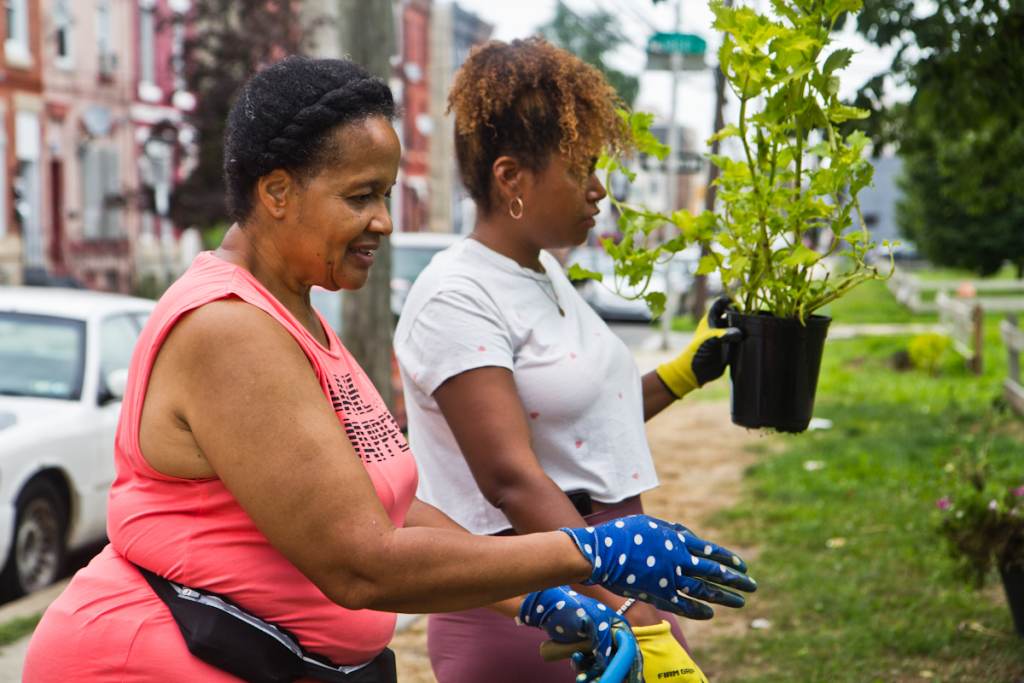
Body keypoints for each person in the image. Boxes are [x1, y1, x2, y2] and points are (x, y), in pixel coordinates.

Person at [23, 56, 754, 682]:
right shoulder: (228, 328)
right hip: (152, 658)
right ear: (276, 192)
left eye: (387, 194)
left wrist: (536, 593)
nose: (383, 220)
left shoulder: (298, 312)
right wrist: (584, 549)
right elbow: (361, 563)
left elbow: (393, 504)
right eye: (361, 195)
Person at [394, 38, 744, 683]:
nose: (599, 190)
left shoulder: (544, 274)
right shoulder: (457, 295)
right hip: (540, 612)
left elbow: (580, 428)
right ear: (511, 178)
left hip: (604, 584)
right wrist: (632, 612)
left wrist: (680, 375)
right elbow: (510, 477)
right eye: (581, 167)